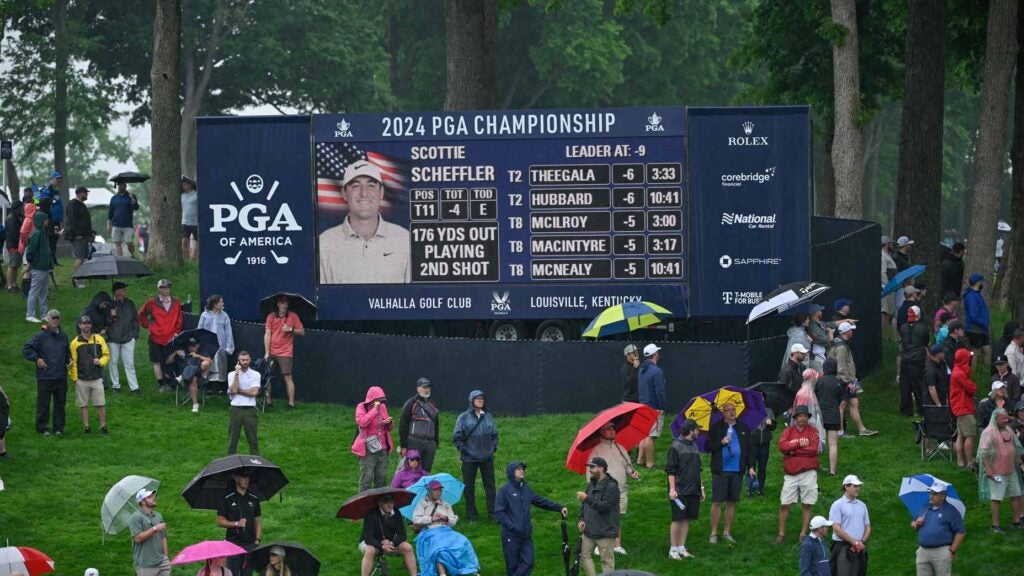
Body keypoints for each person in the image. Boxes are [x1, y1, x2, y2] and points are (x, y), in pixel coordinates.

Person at [319, 160, 410, 284]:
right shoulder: (324, 243)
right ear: (344, 193)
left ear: (381, 192)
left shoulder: (404, 239)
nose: (364, 193)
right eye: (355, 186)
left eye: (371, 185)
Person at [494, 460, 567, 576]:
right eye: (518, 469)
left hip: (526, 535)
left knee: (529, 562)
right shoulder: (504, 490)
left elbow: (541, 501)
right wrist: (512, 527)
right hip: (511, 536)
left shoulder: (526, 489)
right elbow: (499, 512)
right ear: (511, 472)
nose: (522, 471)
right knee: (512, 566)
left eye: (522, 469)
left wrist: (559, 507)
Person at [586, 422, 640, 553]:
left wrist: (632, 473)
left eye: (613, 428)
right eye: (608, 429)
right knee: (603, 516)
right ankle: (600, 545)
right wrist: (594, 489)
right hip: (604, 490)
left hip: (621, 489)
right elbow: (590, 472)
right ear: (601, 432)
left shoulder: (621, 448)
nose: (612, 431)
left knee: (616, 517)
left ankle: (617, 545)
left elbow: (627, 467)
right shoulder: (596, 450)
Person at [707, 401, 754, 545]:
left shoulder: (744, 428)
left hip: (737, 470)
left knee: (732, 502)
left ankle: (727, 532)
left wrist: (750, 466)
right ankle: (714, 533)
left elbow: (749, 450)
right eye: (728, 410)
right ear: (723, 412)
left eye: (733, 409)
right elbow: (708, 446)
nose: (732, 412)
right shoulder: (716, 428)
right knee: (717, 502)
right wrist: (721, 442)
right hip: (721, 471)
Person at [412, 479, 480, 576]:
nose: (438, 493)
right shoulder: (423, 503)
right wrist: (431, 518)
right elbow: (416, 519)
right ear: (429, 491)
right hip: (430, 531)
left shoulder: (446, 504)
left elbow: (453, 522)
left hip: (445, 531)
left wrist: (446, 518)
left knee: (463, 541)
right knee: (440, 548)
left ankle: (470, 567)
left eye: (440, 490)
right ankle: (442, 573)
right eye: (435, 490)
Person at [775, 405, 820, 544]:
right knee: (784, 504)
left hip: (808, 472)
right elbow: (782, 446)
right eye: (800, 416)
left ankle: (803, 534)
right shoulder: (788, 431)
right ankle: (781, 534)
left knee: (807, 504)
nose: (802, 418)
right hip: (791, 473)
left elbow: (813, 450)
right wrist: (800, 443)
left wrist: (792, 450)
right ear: (795, 418)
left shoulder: (813, 431)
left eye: (805, 416)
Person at [452, 389, 498, 521]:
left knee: (490, 487)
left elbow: (495, 435)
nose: (480, 400)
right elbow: (457, 438)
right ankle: (472, 515)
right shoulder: (463, 417)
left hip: (487, 458)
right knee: (469, 488)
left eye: (482, 399)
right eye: (477, 398)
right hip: (469, 459)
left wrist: (493, 448)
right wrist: (465, 451)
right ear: (471, 401)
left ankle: (493, 514)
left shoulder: (488, 416)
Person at [23, 309, 70, 435]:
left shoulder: (64, 336)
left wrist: (69, 360)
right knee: (43, 404)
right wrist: (37, 359)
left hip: (60, 376)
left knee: (60, 404)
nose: (55, 320)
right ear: (47, 320)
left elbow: (67, 354)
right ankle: (42, 428)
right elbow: (27, 348)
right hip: (45, 376)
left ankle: (58, 428)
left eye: (57, 318)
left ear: (59, 319)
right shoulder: (40, 336)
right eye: (52, 318)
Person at [977, 408, 1024, 532]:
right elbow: (983, 452)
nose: (1006, 420)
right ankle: (995, 526)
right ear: (995, 418)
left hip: (1011, 470)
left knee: (1016, 495)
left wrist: (1021, 463)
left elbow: (1015, 447)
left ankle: (1016, 521)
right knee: (997, 498)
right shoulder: (989, 432)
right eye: (1003, 418)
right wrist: (988, 470)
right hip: (996, 471)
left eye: (1007, 417)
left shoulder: (1008, 429)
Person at [828, 322, 877, 436]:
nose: (852, 331)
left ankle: (862, 429)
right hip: (843, 381)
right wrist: (847, 382)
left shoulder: (841, 344)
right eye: (851, 329)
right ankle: (840, 431)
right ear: (846, 331)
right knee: (842, 406)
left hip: (848, 380)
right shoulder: (841, 347)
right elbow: (841, 367)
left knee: (854, 403)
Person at [666, 419, 704, 559]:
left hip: (693, 490)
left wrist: (701, 487)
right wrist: (672, 489)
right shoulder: (675, 447)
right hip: (679, 490)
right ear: (691, 431)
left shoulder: (694, 446)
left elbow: (698, 469)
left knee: (687, 519)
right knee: (677, 519)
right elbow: (671, 471)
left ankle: (681, 547)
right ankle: (673, 549)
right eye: (697, 430)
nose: (698, 432)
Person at [576, 457, 620, 576]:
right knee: (583, 556)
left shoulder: (612, 487)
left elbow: (604, 507)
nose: (590, 470)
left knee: (607, 562)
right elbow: (584, 505)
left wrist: (587, 498)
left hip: (605, 531)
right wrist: (581, 519)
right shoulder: (591, 484)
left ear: (601, 469)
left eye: (592, 467)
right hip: (589, 530)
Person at [911, 480, 965, 576]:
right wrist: (916, 523)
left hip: (941, 552)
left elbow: (960, 532)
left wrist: (952, 550)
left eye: (935, 494)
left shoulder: (951, 511)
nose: (931, 496)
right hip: (923, 551)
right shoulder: (925, 507)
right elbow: (913, 526)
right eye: (930, 493)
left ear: (942, 496)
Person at [139, 279, 183, 392]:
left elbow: (179, 318)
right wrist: (147, 325)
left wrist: (176, 332)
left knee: (170, 359)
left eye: (167, 287)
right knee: (156, 360)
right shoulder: (151, 303)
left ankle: (170, 380)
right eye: (163, 288)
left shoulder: (176, 302)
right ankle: (161, 383)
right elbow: (141, 314)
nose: (166, 290)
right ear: (159, 289)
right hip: (155, 336)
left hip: (171, 336)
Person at [216, 469, 262, 576]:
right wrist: (236, 523)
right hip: (233, 544)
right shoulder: (227, 499)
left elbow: (258, 522)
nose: (246, 480)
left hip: (250, 544)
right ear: (236, 478)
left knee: (247, 574)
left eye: (248, 478)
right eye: (243, 478)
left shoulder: (254, 499)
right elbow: (219, 521)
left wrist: (257, 540)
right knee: (233, 574)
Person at [69, 315, 110, 434]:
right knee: (83, 405)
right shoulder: (74, 343)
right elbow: (73, 362)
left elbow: (107, 355)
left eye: (88, 323)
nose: (86, 325)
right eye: (84, 323)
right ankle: (86, 426)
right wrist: (75, 378)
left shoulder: (99, 339)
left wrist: (100, 362)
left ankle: (103, 426)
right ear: (80, 325)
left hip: (97, 378)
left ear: (91, 325)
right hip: (82, 379)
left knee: (101, 403)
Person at [360, 493, 417, 576]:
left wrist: (391, 543)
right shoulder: (371, 515)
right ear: (380, 503)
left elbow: (402, 535)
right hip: (370, 542)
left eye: (392, 502)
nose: (390, 505)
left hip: (389, 542)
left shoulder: (396, 513)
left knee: (407, 547)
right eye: (387, 502)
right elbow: (368, 537)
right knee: (370, 551)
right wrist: (382, 546)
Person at [263, 296, 304, 409]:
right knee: (267, 377)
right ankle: (268, 401)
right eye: (282, 303)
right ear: (277, 304)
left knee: (288, 377)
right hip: (272, 351)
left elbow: (302, 331)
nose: (284, 305)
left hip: (286, 352)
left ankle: (291, 403)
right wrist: (267, 352)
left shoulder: (293, 316)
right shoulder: (271, 316)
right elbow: (267, 334)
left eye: (286, 303)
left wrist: (290, 329)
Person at [353, 386, 394, 491]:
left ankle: (380, 504)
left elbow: (390, 429)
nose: (380, 402)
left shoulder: (383, 407)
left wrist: (388, 423)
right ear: (371, 399)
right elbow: (362, 422)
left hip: (382, 448)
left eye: (381, 400)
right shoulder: (361, 407)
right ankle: (363, 504)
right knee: (366, 478)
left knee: (382, 478)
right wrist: (374, 410)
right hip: (368, 449)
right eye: (378, 400)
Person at [828, 475, 871, 576]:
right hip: (843, 546)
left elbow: (868, 526)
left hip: (859, 546)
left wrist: (861, 542)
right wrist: (854, 543)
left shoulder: (862, 505)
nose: (858, 488)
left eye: (858, 486)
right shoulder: (837, 505)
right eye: (855, 486)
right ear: (846, 487)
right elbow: (836, 528)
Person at [398, 376, 440, 472]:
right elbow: (403, 425)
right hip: (414, 442)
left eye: (428, 387)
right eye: (424, 387)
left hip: (430, 444)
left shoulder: (433, 404)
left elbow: (436, 425)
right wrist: (404, 445)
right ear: (418, 388)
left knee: (426, 472)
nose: (427, 390)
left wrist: (435, 442)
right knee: (411, 471)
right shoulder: (410, 403)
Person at [198, 294, 235, 394]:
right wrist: (200, 344)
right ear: (215, 304)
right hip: (208, 345)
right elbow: (199, 329)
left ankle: (219, 388)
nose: (223, 304)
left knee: (220, 366)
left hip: (220, 346)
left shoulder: (224, 315)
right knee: (209, 365)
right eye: (221, 302)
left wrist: (229, 347)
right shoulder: (204, 315)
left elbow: (228, 332)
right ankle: (208, 387)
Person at [108, 281, 141, 393]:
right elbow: (105, 322)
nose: (125, 291)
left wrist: (134, 335)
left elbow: (135, 319)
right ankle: (116, 386)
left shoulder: (130, 303)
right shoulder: (109, 304)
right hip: (113, 338)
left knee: (129, 363)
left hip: (128, 338)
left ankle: (134, 387)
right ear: (117, 292)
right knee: (113, 362)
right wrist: (111, 316)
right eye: (123, 289)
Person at [637, 343, 666, 468]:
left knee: (644, 434)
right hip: (654, 406)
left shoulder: (641, 371)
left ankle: (640, 461)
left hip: (642, 405)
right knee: (651, 436)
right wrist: (662, 406)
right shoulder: (657, 371)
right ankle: (650, 463)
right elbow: (659, 391)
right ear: (655, 354)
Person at [130, 488, 171, 576]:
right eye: (149, 497)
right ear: (143, 502)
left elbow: (163, 537)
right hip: (146, 564)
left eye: (152, 496)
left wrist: (166, 557)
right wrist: (154, 529)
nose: (153, 498)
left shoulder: (158, 516)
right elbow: (137, 538)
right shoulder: (135, 518)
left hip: (162, 562)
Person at [226, 352, 260, 454]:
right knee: (233, 438)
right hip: (235, 409)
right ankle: (231, 462)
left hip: (250, 410)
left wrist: (238, 391)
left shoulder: (255, 374)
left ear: (250, 360)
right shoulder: (231, 374)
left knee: (253, 439)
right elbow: (233, 390)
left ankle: (255, 461)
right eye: (243, 360)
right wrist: (237, 373)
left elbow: (254, 393)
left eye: (247, 360)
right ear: (238, 361)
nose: (245, 362)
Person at [949, 349, 978, 470]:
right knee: (970, 435)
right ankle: (970, 461)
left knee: (961, 435)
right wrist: (974, 385)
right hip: (964, 407)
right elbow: (971, 388)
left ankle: (960, 461)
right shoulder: (960, 374)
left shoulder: (957, 371)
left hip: (959, 407)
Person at [900, 305, 930, 417]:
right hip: (917, 360)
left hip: (905, 359)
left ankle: (906, 410)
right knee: (918, 385)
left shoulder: (903, 327)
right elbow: (926, 341)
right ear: (918, 315)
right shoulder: (922, 328)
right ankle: (921, 409)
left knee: (905, 386)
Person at [23, 211, 52, 323]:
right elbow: (31, 250)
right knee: (34, 291)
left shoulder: (43, 233)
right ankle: (30, 314)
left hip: (44, 266)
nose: (47, 221)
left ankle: (44, 314)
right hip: (38, 266)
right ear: (41, 221)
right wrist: (30, 262)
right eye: (46, 219)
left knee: (43, 292)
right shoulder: (37, 234)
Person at [816, 358, 843, 475]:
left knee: (816, 442)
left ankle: (816, 467)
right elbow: (840, 399)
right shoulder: (839, 382)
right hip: (833, 415)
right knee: (832, 443)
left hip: (820, 416)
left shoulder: (819, 382)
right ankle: (832, 471)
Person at [64, 186, 94, 287]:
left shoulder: (82, 205)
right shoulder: (73, 204)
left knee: (83, 258)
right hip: (78, 236)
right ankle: (77, 280)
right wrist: (78, 233)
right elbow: (72, 221)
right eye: (85, 193)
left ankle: (81, 278)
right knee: (79, 258)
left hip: (84, 236)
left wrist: (90, 233)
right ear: (80, 193)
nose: (87, 195)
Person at [173, 338, 212, 413]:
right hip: (186, 380)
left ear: (198, 345)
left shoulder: (202, 352)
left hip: (200, 379)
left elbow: (210, 361)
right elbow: (168, 361)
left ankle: (182, 377)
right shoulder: (184, 352)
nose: (191, 348)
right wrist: (175, 352)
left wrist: (198, 356)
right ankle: (195, 405)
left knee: (205, 364)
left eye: (193, 346)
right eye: (189, 346)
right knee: (193, 378)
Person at [963, 273, 991, 364]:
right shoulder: (971, 297)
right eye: (982, 281)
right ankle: (972, 376)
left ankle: (989, 372)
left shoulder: (976, 294)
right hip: (974, 330)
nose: (983, 283)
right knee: (975, 353)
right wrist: (983, 322)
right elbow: (973, 315)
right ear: (978, 282)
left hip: (982, 329)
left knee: (987, 349)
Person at [108, 178, 139, 257]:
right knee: (117, 243)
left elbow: (136, 207)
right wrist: (109, 223)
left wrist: (132, 199)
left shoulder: (131, 196)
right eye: (118, 185)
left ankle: (132, 254)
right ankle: (120, 260)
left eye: (121, 185)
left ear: (125, 186)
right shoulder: (114, 198)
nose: (119, 187)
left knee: (129, 243)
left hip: (127, 225)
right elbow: (110, 211)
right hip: (116, 224)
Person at [750, 407, 777, 496]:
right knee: (751, 466)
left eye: (762, 397)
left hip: (765, 444)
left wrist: (771, 423)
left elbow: (773, 427)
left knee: (762, 467)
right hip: (752, 443)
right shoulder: (750, 410)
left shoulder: (769, 411)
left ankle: (760, 488)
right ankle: (751, 489)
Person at [806, 304, 833, 371]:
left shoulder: (818, 323)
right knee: (822, 375)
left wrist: (846, 320)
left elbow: (830, 324)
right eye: (820, 311)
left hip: (821, 355)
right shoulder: (813, 327)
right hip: (817, 357)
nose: (821, 312)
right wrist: (830, 333)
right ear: (815, 313)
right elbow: (828, 342)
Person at [4, 199, 23, 292]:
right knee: (12, 265)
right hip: (13, 244)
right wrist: (16, 246)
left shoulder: (15, 216)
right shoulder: (12, 218)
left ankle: (14, 284)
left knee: (16, 265)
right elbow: (13, 233)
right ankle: (9, 285)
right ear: (17, 208)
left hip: (15, 244)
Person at [881, 236, 898, 338]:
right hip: (886, 288)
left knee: (887, 312)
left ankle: (885, 336)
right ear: (887, 244)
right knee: (885, 312)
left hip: (890, 288)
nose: (892, 245)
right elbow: (882, 272)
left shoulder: (887, 255)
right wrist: (887, 286)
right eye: (890, 243)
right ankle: (883, 336)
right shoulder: (882, 256)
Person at [181, 176, 199, 261]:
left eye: (186, 184)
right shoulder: (182, 195)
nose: (184, 186)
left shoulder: (196, 194)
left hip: (195, 222)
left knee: (195, 242)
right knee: (184, 241)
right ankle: (185, 259)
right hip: (184, 221)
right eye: (183, 184)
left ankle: (193, 260)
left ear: (191, 185)